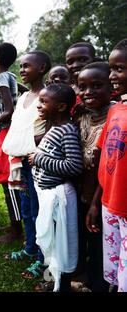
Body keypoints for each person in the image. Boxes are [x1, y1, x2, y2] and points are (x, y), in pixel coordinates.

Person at [29, 83, 83, 292]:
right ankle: (55, 281)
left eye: (44, 102)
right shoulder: (55, 128)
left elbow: (74, 166)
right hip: (49, 195)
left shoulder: (67, 130)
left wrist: (40, 159)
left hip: (60, 197)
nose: (39, 106)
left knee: (62, 246)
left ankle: (63, 285)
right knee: (53, 244)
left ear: (61, 107)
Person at [2, 51, 51, 279]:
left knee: (40, 210)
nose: (22, 70)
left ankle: (43, 257)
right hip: (21, 161)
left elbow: (49, 129)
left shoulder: (46, 95)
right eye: (20, 66)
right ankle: (30, 247)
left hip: (37, 162)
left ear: (42, 68)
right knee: (27, 207)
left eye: (27, 66)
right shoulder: (23, 97)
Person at [86, 39, 127, 292]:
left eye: (119, 69)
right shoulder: (116, 110)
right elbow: (106, 162)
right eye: (111, 69)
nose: (112, 75)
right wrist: (95, 202)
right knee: (114, 272)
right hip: (109, 206)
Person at [74, 62, 114, 292]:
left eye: (96, 86)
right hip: (82, 191)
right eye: (83, 87)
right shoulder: (82, 116)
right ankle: (85, 277)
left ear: (112, 87)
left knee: (101, 244)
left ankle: (101, 283)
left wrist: (95, 202)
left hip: (103, 195)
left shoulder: (115, 116)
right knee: (85, 238)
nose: (88, 92)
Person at [0, 42, 23, 244]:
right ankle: (14, 223)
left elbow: (8, 111)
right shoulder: (11, 77)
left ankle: (16, 231)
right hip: (5, 133)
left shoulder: (2, 77)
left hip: (5, 134)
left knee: (8, 183)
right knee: (6, 181)